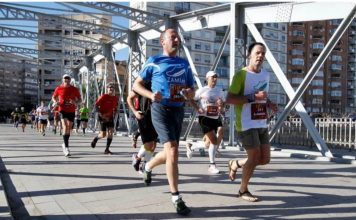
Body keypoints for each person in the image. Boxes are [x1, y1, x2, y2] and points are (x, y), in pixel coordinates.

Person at [133, 28, 195, 216]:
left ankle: (149, 166)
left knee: (170, 152)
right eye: (172, 37)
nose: (177, 40)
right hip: (160, 109)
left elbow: (190, 88)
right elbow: (136, 85)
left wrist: (189, 94)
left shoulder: (184, 64)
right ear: (163, 42)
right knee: (174, 150)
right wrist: (151, 94)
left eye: (178, 37)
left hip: (178, 110)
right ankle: (176, 197)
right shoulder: (154, 62)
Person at [225, 42, 278, 202]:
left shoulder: (266, 75)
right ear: (249, 55)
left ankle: (235, 163)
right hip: (246, 123)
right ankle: (243, 190)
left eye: (263, 53)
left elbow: (263, 95)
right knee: (254, 157)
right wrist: (252, 97)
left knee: (264, 159)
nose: (260, 56)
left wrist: (269, 104)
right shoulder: (241, 75)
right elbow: (229, 99)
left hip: (261, 121)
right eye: (257, 53)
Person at [187, 71, 225, 174]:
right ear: (207, 78)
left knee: (218, 134)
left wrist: (221, 106)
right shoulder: (202, 90)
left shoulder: (219, 91)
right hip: (205, 118)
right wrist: (197, 108)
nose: (215, 79)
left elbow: (223, 104)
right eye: (213, 77)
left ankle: (192, 146)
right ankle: (212, 165)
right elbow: (190, 99)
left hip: (216, 117)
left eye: (216, 77)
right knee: (213, 141)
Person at [127, 82, 158, 172]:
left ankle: (141, 161)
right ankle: (143, 165)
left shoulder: (161, 82)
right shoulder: (143, 83)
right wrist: (135, 112)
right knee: (149, 144)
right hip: (144, 116)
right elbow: (129, 98)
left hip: (157, 117)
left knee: (153, 145)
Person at [52, 74, 81, 157]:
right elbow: (53, 97)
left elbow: (80, 100)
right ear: (63, 79)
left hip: (71, 110)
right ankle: (66, 148)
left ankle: (64, 143)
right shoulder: (59, 88)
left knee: (69, 127)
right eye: (65, 78)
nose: (66, 80)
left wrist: (75, 102)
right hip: (62, 109)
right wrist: (55, 102)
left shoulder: (74, 89)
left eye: (68, 78)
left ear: (70, 80)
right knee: (65, 126)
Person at [90, 82, 118, 155]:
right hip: (102, 117)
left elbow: (115, 108)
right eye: (109, 88)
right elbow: (96, 105)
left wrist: (115, 112)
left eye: (112, 88)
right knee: (103, 135)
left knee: (111, 132)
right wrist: (100, 114)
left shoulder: (115, 98)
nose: (111, 89)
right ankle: (95, 139)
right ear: (107, 89)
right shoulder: (103, 96)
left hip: (110, 117)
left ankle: (107, 149)